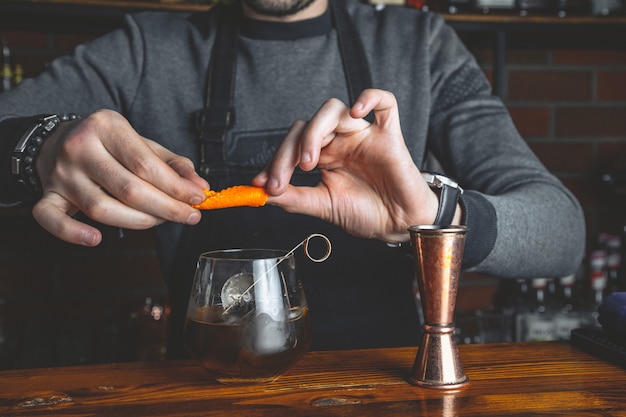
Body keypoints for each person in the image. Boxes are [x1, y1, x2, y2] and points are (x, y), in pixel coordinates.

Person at [0, 0, 585, 356]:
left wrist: (430, 213)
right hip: (205, 394)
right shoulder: (148, 49)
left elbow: (563, 234)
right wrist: (38, 147)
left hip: (389, 395)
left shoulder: (420, 46)